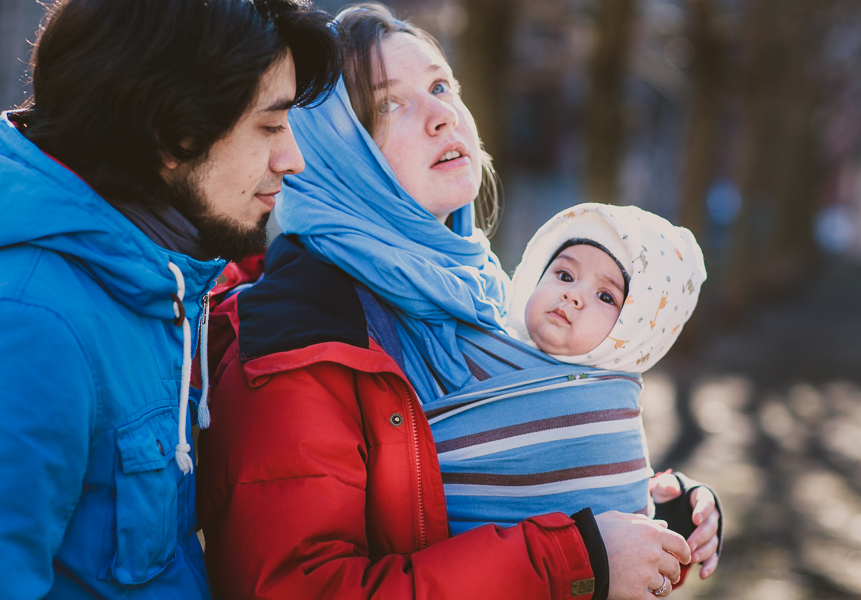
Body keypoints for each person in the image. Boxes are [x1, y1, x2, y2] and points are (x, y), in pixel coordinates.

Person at [196, 3, 717, 599]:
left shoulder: (487, 294)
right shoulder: (297, 347)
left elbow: (518, 465)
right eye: (390, 103)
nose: (443, 115)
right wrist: (573, 559)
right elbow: (300, 589)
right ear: (337, 153)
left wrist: (651, 507)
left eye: (442, 85)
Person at [0, 0, 340, 598]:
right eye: (270, 125)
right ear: (173, 133)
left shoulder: (158, 285)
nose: (291, 159)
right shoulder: (26, 322)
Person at [429, 203, 721, 564]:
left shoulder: (611, 406)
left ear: (632, 334)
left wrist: (678, 511)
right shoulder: (472, 344)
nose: (573, 295)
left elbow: (624, 511)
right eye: (565, 275)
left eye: (605, 296)